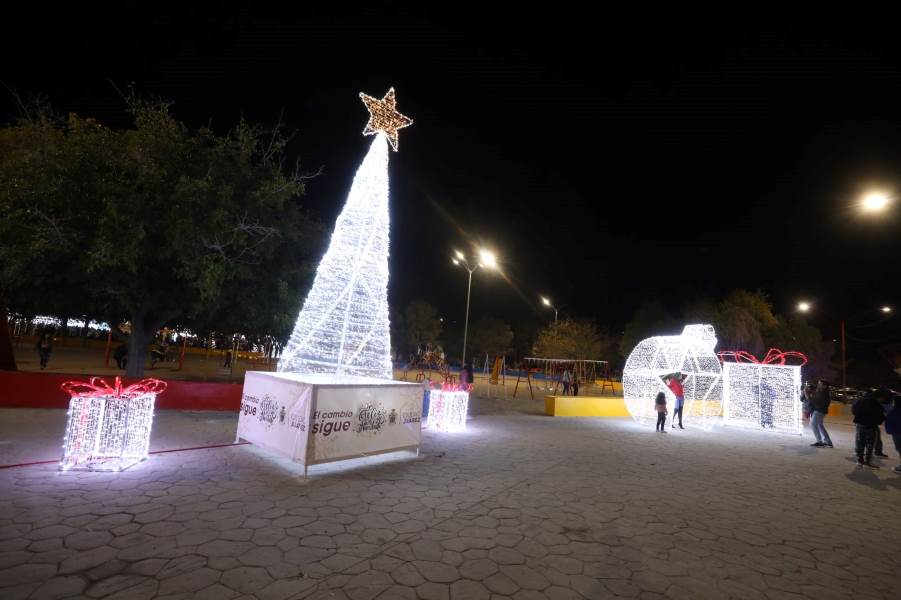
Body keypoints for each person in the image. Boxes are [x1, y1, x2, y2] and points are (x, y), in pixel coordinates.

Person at [852, 389, 886, 468]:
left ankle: (860, 460)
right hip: (871, 426)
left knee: (861, 443)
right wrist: (878, 422)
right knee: (870, 444)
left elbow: (854, 410)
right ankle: (867, 461)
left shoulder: (860, 400)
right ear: (879, 397)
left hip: (860, 425)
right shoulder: (877, 404)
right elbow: (880, 416)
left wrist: (859, 418)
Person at [808, 380, 833, 448]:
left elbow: (814, 400)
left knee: (813, 424)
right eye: (818, 384)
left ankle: (819, 441)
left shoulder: (823, 393)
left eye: (820, 384)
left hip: (819, 410)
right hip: (820, 410)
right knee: (819, 425)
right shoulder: (823, 392)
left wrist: (807, 394)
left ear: (824, 386)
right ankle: (828, 442)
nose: (818, 385)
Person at [883, 394, 901, 473]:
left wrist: (889, 431)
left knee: (900, 449)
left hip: (897, 433)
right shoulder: (893, 411)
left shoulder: (893, 411)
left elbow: (889, 422)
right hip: (897, 432)